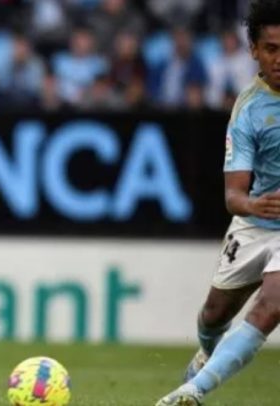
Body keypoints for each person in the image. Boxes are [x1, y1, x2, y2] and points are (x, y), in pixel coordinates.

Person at [156, 1, 280, 404]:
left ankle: (192, 392)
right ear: (254, 51)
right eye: (272, 48)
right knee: (214, 316)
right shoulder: (248, 109)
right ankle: (206, 355)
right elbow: (233, 195)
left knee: (270, 305)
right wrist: (252, 205)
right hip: (257, 222)